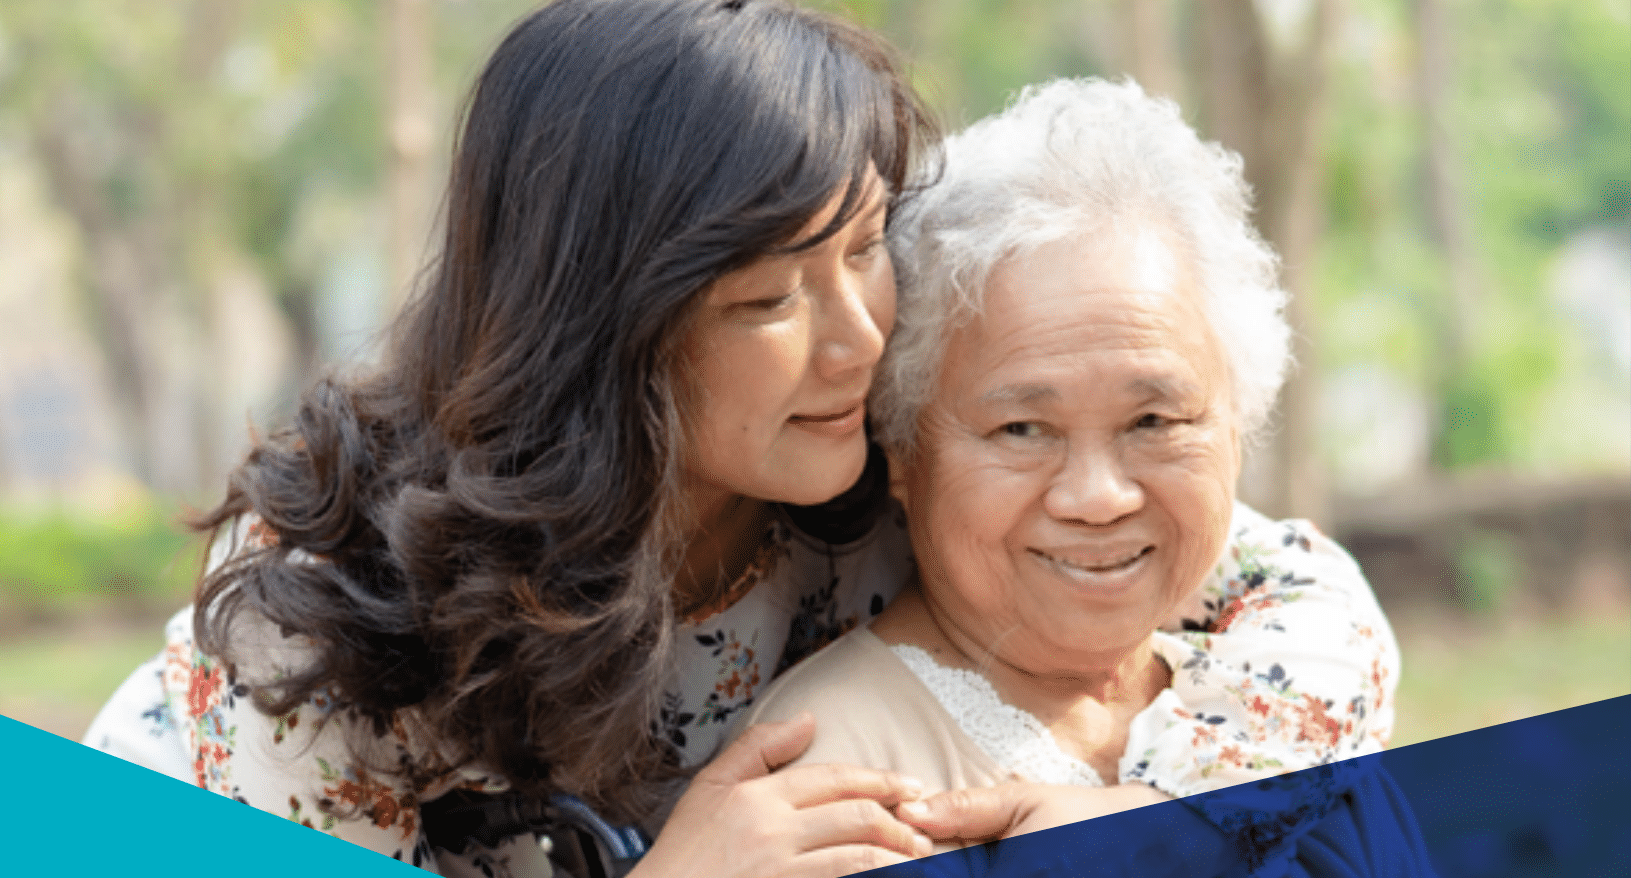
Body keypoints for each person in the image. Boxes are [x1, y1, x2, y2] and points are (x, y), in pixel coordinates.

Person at [80, 3, 1393, 875]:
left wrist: (1174, 812)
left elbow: (1288, 585)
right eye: (766, 298)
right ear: (604, 323)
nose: (858, 341)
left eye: (866, 251)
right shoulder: (344, 612)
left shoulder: (863, 459)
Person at [737, 77, 1403, 872]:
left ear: (1236, 425)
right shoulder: (837, 800)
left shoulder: (1282, 718)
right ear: (903, 451)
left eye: (1153, 420)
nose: (1098, 497)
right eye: (1022, 429)